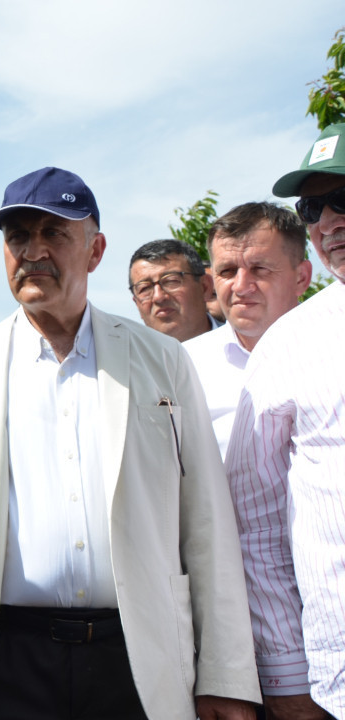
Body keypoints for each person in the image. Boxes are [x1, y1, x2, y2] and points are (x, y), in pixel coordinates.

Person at [0, 167, 260, 720]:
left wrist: (226, 674)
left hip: (136, 660)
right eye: (17, 237)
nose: (33, 251)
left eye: (54, 233)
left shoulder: (162, 362)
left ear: (95, 250)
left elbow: (205, 520)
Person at [227, 123, 345, 720]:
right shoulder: (290, 345)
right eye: (314, 207)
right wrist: (288, 679)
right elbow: (257, 527)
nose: (329, 222)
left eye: (344, 196)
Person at [183, 203, 312, 457]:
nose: (241, 287)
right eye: (227, 271)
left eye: (260, 269)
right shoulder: (183, 367)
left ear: (301, 278)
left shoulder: (334, 351)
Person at [128, 239, 218, 342]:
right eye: (144, 288)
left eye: (171, 281)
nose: (158, 297)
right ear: (136, 304)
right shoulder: (126, 356)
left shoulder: (239, 342)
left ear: (205, 287)